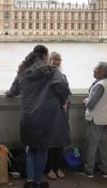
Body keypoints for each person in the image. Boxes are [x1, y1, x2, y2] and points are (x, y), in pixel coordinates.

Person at [6, 45, 70, 188]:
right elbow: (63, 86)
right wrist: (61, 100)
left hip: (28, 116)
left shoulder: (23, 71)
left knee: (31, 148)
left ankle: (29, 180)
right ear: (46, 55)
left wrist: (9, 93)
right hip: (46, 117)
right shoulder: (51, 71)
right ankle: (38, 181)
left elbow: (14, 90)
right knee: (42, 149)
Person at [81, 62, 107, 178]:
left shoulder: (100, 85)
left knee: (92, 145)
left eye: (95, 69)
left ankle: (89, 171)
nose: (93, 71)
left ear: (101, 72)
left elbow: (91, 104)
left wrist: (86, 100)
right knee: (103, 146)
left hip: (96, 119)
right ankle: (104, 170)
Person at [46, 52, 70, 180]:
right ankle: (50, 168)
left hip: (61, 113)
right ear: (49, 60)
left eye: (58, 60)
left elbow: (68, 94)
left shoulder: (63, 76)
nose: (56, 62)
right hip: (50, 113)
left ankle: (58, 167)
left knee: (60, 142)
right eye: (54, 59)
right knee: (50, 142)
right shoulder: (45, 77)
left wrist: (67, 103)